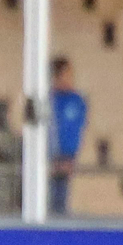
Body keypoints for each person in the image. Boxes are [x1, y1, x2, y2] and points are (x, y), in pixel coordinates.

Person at [50, 58, 88, 216]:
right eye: (65, 75)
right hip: (49, 161)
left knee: (61, 203)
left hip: (67, 159)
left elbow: (77, 130)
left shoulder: (77, 101)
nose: (69, 79)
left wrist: (70, 157)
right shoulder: (48, 100)